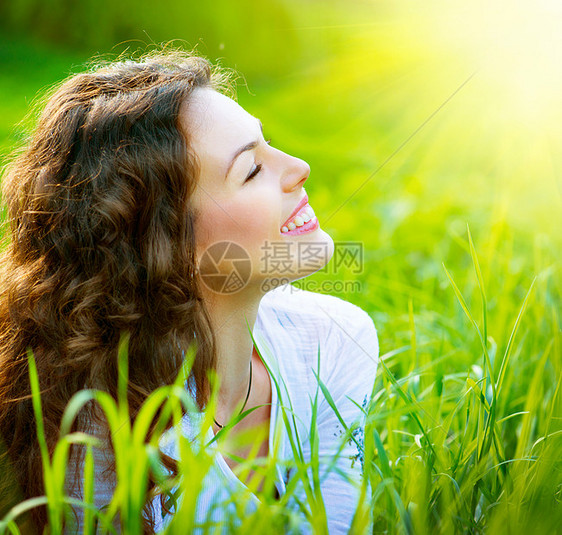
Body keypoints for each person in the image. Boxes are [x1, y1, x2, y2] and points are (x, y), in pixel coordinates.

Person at [0, 50, 379, 534]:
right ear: (167, 246)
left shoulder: (333, 342)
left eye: (269, 145)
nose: (298, 167)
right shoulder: (98, 443)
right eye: (251, 170)